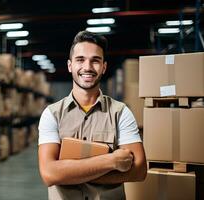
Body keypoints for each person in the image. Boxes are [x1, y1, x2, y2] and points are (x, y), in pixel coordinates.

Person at [38, 30, 147, 200]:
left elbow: (139, 171)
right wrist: (111, 161)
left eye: (95, 60)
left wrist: (69, 173)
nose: (87, 67)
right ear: (70, 65)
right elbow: (49, 174)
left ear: (103, 67)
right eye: (80, 60)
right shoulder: (52, 115)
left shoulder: (121, 112)